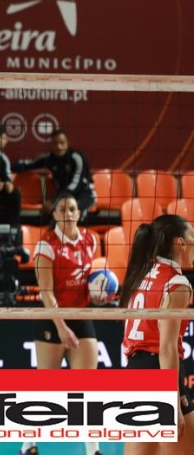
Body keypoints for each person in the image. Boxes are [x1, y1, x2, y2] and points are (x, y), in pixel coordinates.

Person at [20, 192, 101, 455]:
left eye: (72, 209)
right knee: (45, 388)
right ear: (54, 214)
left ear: (79, 213)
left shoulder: (91, 240)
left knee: (87, 388)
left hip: (81, 316)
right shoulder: (46, 245)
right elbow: (46, 292)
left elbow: (87, 281)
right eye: (63, 209)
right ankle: (28, 445)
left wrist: (100, 294)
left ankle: (93, 450)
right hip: (52, 318)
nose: (68, 213)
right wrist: (61, 326)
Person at [119, 214, 194, 455]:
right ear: (180, 243)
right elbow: (167, 347)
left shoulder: (142, 274)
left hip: (135, 370)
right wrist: (172, 401)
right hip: (158, 370)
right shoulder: (177, 283)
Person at [14, 129, 97, 221]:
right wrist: (7, 168)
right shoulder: (49, 157)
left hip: (84, 193)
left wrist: (54, 200)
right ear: (51, 144)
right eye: (55, 143)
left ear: (67, 143)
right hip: (62, 194)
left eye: (62, 143)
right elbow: (29, 164)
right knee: (50, 211)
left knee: (75, 210)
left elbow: (76, 184)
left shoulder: (77, 158)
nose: (59, 146)